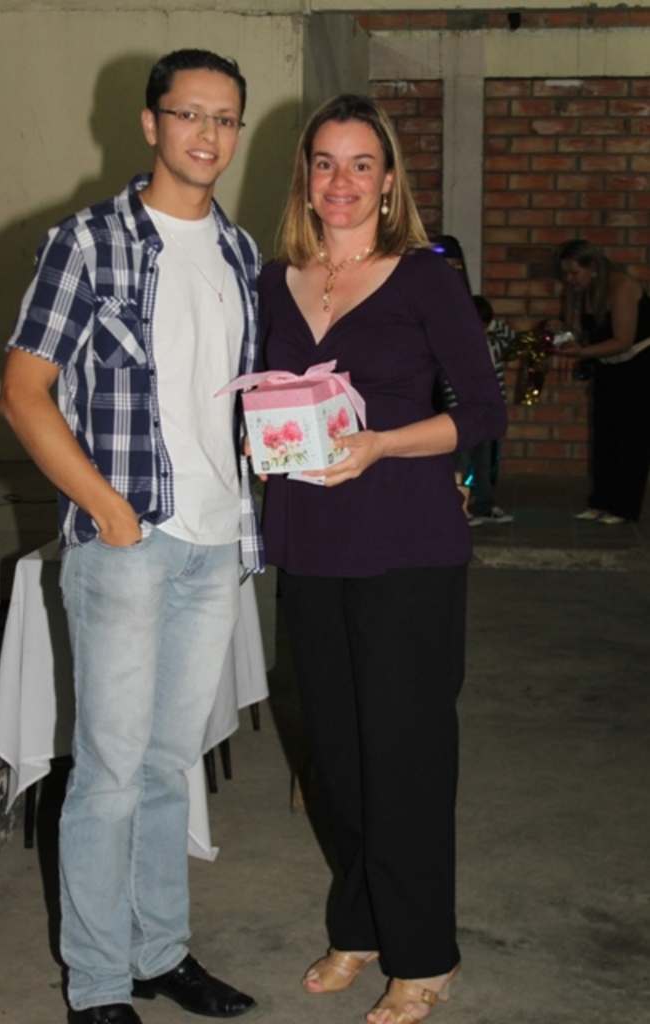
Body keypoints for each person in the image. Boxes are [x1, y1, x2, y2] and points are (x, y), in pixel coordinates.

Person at [0, 49, 262, 1024]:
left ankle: (159, 952)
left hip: (214, 546)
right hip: (126, 544)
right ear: (151, 124)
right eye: (188, 113)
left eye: (224, 118)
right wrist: (109, 511)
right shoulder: (86, 242)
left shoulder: (239, 253)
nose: (207, 133)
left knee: (164, 766)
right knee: (108, 773)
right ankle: (99, 982)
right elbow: (21, 393)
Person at [258, 95, 507, 1024]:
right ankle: (360, 926)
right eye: (325, 162)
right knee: (337, 757)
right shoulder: (276, 280)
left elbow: (482, 410)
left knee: (404, 756)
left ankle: (424, 952)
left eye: (361, 164)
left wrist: (382, 446)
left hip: (405, 541)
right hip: (310, 541)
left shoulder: (423, 278)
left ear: (389, 180)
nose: (342, 181)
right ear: (304, 177)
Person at [555, 239, 650, 524]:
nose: (570, 279)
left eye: (574, 273)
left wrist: (581, 353)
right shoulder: (579, 291)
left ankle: (624, 507)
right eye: (565, 274)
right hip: (609, 366)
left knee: (631, 438)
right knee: (605, 436)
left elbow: (622, 341)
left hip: (639, 367)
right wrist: (559, 332)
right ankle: (600, 502)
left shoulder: (622, 288)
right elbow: (575, 330)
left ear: (593, 267)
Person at [455, 295, 514, 526]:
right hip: (463, 413)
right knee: (460, 463)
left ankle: (485, 505)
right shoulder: (455, 347)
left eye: (483, 326)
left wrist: (493, 326)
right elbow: (448, 383)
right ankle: (459, 507)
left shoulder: (492, 344)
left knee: (483, 463)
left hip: (486, 412)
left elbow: (513, 340)